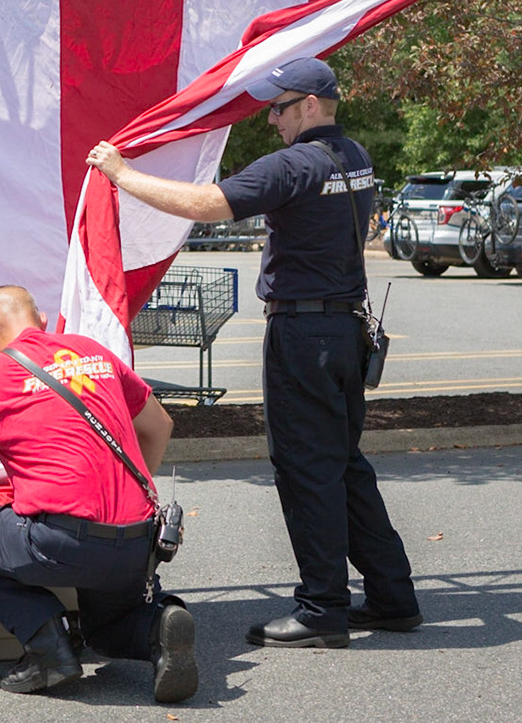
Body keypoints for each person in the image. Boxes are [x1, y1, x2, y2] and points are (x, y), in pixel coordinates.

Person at [86, 55, 421, 649]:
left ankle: (323, 608)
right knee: (344, 464)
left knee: (307, 470)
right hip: (343, 331)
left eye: (281, 107)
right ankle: (393, 595)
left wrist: (122, 174)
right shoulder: (356, 158)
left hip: (304, 336)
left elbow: (205, 204)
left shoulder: (293, 165)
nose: (273, 120)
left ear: (311, 106)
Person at [0, 285, 198, 703]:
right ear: (44, 320)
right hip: (140, 537)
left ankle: (47, 644)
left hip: (64, 541)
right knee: (104, 631)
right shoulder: (94, 353)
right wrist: (126, 500)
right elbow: (160, 425)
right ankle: (157, 628)